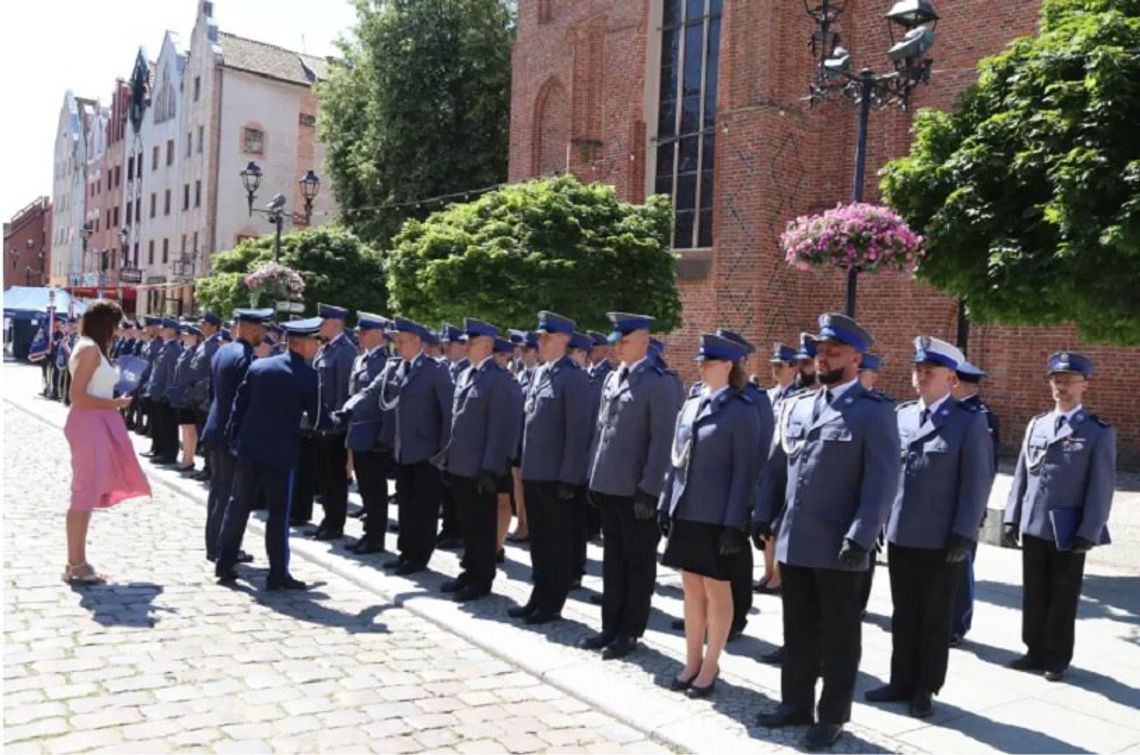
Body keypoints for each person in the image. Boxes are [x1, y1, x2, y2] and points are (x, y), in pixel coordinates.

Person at [753, 313, 899, 752]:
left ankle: (832, 715)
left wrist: (861, 537)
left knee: (839, 637)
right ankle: (795, 704)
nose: (823, 357)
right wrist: (763, 513)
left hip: (840, 547)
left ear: (856, 357)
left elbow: (882, 482)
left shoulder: (874, 412)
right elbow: (778, 464)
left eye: (833, 351)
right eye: (819, 351)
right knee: (797, 630)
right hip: (796, 540)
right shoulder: (799, 406)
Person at [864, 337, 993, 718]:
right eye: (917, 369)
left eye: (929, 371)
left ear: (950, 378)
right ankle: (900, 680)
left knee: (935, 617)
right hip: (902, 532)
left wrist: (964, 533)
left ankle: (926, 687)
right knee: (903, 614)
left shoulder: (969, 421)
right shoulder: (901, 415)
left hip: (942, 539)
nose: (920, 376)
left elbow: (977, 482)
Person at [659, 333, 762, 698]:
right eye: (700, 361)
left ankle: (710, 664)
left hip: (718, 516)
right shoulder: (691, 404)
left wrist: (735, 523)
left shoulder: (742, 410)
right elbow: (677, 460)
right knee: (690, 586)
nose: (700, 366)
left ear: (728, 366)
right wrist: (666, 502)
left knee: (717, 589)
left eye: (708, 362)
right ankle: (690, 661)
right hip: (688, 510)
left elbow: (744, 473)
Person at [1003, 351, 1115, 682]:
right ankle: (1034, 650)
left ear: (1085, 386)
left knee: (1062, 596)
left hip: (1068, 528)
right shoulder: (1037, 425)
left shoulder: (1096, 431)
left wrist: (1089, 529)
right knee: (1034, 591)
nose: (1060, 387)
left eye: (1068, 381)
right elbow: (1022, 475)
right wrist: (1012, 518)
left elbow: (1101, 486)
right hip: (1035, 523)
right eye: (1056, 380)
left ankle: (1056, 657)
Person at [579, 312, 682, 660]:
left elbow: (662, 440)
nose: (618, 346)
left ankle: (630, 630)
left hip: (637, 490)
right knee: (612, 559)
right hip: (610, 484)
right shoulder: (613, 378)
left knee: (637, 563)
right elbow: (601, 431)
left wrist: (650, 488)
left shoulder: (660, 381)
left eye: (625, 340)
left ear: (643, 339)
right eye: (616, 340)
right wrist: (594, 475)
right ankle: (610, 625)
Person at [215, 318, 323, 591]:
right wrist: (345, 416)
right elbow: (320, 418)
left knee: (237, 506)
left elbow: (240, 404)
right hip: (280, 454)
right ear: (304, 344)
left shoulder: (259, 366)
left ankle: (224, 564)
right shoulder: (308, 375)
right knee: (278, 515)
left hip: (249, 449)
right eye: (316, 341)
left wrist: (234, 438)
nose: (318, 346)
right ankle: (277, 574)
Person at [509, 312, 592, 625]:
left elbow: (578, 432)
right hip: (535, 472)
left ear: (564, 340)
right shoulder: (542, 373)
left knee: (556, 543)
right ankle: (538, 596)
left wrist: (570, 477)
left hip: (558, 477)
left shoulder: (573, 377)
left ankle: (552, 602)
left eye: (545, 337)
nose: (539, 342)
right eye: (539, 337)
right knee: (539, 540)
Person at [61, 300, 151, 584]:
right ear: (106, 324)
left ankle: (77, 562)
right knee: (84, 491)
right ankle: (75, 564)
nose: (118, 331)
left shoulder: (91, 346)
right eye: (116, 324)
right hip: (89, 421)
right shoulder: (89, 348)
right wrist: (116, 403)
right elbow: (77, 396)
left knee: (86, 491)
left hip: (95, 420)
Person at [437, 319, 520, 602]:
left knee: (482, 527)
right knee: (466, 524)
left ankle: (481, 579)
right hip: (461, 464)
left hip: (481, 469)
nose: (465, 346)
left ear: (486, 344)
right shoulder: (465, 375)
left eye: (470, 342)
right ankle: (469, 571)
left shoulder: (499, 380)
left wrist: (490, 468)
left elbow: (502, 430)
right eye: (464, 342)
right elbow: (458, 423)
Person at [381, 318, 454, 575]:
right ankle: (405, 551)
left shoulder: (435, 370)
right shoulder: (400, 368)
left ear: (417, 342)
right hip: (403, 449)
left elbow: (448, 414)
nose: (397, 346)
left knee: (424, 507)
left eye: (401, 341)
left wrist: (442, 452)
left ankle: (419, 556)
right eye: (396, 341)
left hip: (427, 452)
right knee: (406, 504)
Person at [201, 308, 272, 564]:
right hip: (234, 435)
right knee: (234, 496)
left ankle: (213, 545)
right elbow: (250, 403)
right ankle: (225, 548)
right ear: (252, 329)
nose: (264, 335)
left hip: (216, 428)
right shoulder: (247, 359)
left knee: (218, 491)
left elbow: (213, 393)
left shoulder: (223, 351)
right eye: (262, 330)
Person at [948, 359, 1000, 645]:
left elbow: (984, 469)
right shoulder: (956, 412)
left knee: (962, 566)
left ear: (958, 382)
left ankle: (958, 623)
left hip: (966, 506)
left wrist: (975, 508)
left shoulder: (981, 416)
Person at [338, 313, 396, 554]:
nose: (358, 336)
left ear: (377, 334)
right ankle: (369, 534)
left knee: (375, 490)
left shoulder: (384, 361)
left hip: (374, 435)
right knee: (366, 488)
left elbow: (381, 401)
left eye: (363, 332)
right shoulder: (362, 359)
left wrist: (382, 436)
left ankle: (375, 538)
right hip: (358, 432)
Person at [309, 304, 357, 541]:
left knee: (335, 477)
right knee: (324, 476)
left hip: (333, 427)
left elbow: (344, 393)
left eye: (323, 321)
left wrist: (336, 424)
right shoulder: (326, 348)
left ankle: (335, 523)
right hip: (321, 423)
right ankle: (328, 519)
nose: (319, 326)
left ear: (336, 323)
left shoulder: (345, 351)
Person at [438, 323, 470, 548]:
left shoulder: (467, 370)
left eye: (451, 344)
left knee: (457, 493)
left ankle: (457, 531)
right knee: (445, 490)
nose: (446, 347)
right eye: (445, 343)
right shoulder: (446, 368)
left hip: (460, 443)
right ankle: (448, 527)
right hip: (445, 440)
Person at [185, 312, 223, 482]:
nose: (201, 327)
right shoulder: (205, 343)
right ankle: (207, 467)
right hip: (197, 396)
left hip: (205, 397)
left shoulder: (214, 346)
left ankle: (210, 469)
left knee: (207, 436)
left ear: (214, 327)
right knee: (202, 434)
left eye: (205, 324)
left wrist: (199, 390)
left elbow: (212, 373)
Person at [144, 319, 184, 465]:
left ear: (172, 331)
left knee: (168, 426)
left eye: (165, 329)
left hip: (165, 394)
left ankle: (169, 454)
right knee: (161, 424)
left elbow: (172, 374)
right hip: (157, 391)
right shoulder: (166, 347)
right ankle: (160, 451)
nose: (162, 331)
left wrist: (167, 393)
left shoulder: (174, 349)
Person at [167, 324, 204, 472]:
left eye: (188, 335)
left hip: (189, 395)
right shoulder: (187, 350)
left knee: (190, 429)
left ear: (195, 337)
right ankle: (185, 458)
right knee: (184, 427)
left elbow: (194, 374)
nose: (184, 337)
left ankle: (189, 460)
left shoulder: (195, 352)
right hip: (181, 393)